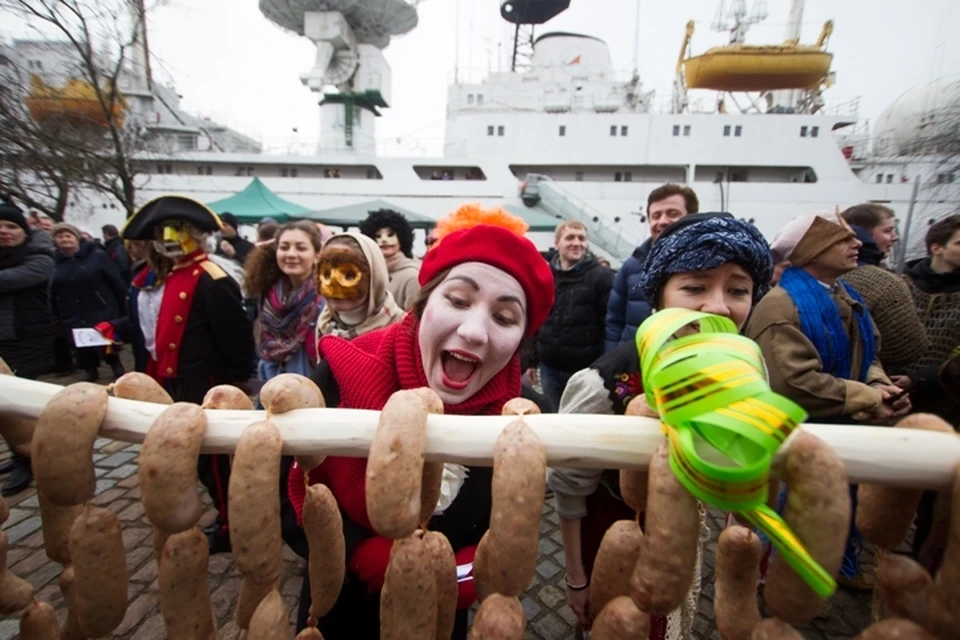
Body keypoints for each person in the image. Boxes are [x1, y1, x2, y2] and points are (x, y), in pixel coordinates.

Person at [283, 207, 554, 638]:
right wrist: (354, 551)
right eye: (458, 301)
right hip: (341, 601)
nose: (474, 332)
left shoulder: (527, 418)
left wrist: (470, 570)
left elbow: (515, 522)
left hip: (441, 610)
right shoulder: (342, 371)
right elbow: (289, 489)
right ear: (423, 304)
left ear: (521, 338)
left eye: (504, 318)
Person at [548, 213, 773, 640]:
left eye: (738, 290)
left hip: (687, 541)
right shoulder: (602, 382)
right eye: (695, 287)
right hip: (613, 535)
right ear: (660, 296)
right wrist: (576, 578)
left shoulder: (750, 369)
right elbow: (568, 487)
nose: (719, 306)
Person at [746, 211, 909, 592]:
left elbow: (868, 353)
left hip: (838, 427)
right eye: (843, 239)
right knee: (785, 518)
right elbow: (793, 383)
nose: (857, 244)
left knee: (820, 515)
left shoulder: (846, 296)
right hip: (799, 437)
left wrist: (881, 385)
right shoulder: (781, 306)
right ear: (812, 251)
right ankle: (774, 584)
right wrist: (867, 397)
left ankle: (814, 574)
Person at [101, 196, 255, 554]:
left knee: (213, 462)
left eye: (179, 230)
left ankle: (232, 523)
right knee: (187, 457)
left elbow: (237, 339)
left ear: (198, 235)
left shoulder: (213, 279)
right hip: (168, 382)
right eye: (162, 231)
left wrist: (232, 384)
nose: (170, 237)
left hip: (205, 385)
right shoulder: (155, 277)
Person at [0, 198, 55, 496]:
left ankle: (30, 457)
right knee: (5, 407)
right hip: (3, 338)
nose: (5, 232)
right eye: (0, 227)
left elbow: (16, 279)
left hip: (26, 338)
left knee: (19, 403)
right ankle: (17, 454)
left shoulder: (39, 257)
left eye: (11, 226)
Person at [527, 220, 614, 408]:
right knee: (553, 418)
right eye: (570, 238)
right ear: (557, 243)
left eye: (581, 238)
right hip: (549, 368)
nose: (577, 243)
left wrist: (603, 367)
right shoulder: (545, 275)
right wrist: (531, 361)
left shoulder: (602, 277)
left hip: (583, 371)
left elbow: (607, 325)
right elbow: (535, 317)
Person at [604, 184, 698, 351]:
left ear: (691, 217)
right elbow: (614, 321)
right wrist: (612, 362)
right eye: (656, 215)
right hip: (634, 366)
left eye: (672, 214)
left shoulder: (709, 266)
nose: (662, 221)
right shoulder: (631, 266)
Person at [839, 204, 929, 370]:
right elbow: (908, 349)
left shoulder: (815, 275)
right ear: (862, 234)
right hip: (874, 379)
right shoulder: (884, 283)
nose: (894, 238)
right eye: (888, 231)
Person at [244, 221, 324, 379]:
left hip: (312, 385)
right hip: (272, 381)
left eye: (301, 248)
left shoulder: (326, 297)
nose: (291, 254)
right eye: (284, 247)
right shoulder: (268, 294)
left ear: (317, 255)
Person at [51, 222, 128, 382]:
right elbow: (52, 289)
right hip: (72, 309)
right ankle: (90, 369)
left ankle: (115, 364)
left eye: (68, 235)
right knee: (81, 343)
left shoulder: (97, 256)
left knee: (106, 338)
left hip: (100, 305)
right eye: (60, 236)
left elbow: (115, 280)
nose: (64, 239)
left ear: (76, 238)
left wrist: (124, 306)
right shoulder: (55, 262)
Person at [315, 232, 404, 341]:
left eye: (349, 275)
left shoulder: (403, 329)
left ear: (374, 277)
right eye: (327, 274)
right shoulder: (323, 325)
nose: (334, 285)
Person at [358, 209, 421, 310]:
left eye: (390, 235)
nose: (384, 239)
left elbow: (413, 319)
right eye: (378, 236)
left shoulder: (412, 276)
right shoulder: (366, 273)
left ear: (401, 239)